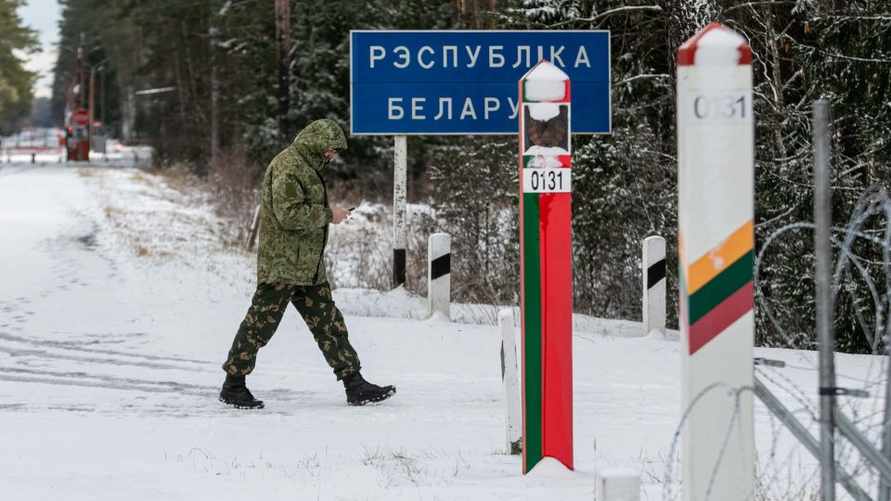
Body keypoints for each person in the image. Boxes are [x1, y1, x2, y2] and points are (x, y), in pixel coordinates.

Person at [220, 118, 396, 409]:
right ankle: (233, 385)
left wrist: (329, 215)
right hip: (283, 266)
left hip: (308, 266)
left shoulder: (309, 166)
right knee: (259, 325)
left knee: (330, 325)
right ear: (315, 142)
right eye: (330, 148)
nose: (332, 155)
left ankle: (355, 383)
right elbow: (288, 215)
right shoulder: (289, 166)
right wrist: (330, 214)